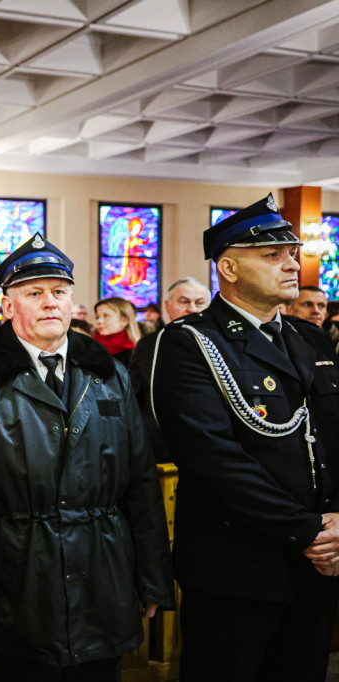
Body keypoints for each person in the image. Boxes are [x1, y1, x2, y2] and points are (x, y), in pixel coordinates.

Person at [0, 232, 174, 681]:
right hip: (18, 575)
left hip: (103, 573)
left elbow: (141, 480)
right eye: (34, 293)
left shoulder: (109, 374)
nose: (50, 302)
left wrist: (151, 577)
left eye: (59, 292)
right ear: (8, 307)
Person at [151, 194, 339, 682]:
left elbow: (331, 437)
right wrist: (308, 532)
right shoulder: (191, 341)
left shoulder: (310, 337)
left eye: (292, 253)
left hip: (318, 567)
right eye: (272, 255)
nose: (292, 264)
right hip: (239, 571)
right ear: (229, 268)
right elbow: (213, 459)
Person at [129, 277, 211, 463]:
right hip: (159, 447)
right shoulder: (149, 345)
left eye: (200, 303)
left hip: (208, 448)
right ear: (167, 305)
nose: (192, 308)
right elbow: (134, 395)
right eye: (184, 302)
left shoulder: (223, 344)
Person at [93, 297, 140, 365]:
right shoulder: (90, 347)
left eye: (106, 316)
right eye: (97, 317)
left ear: (124, 321)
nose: (99, 321)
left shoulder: (135, 354)